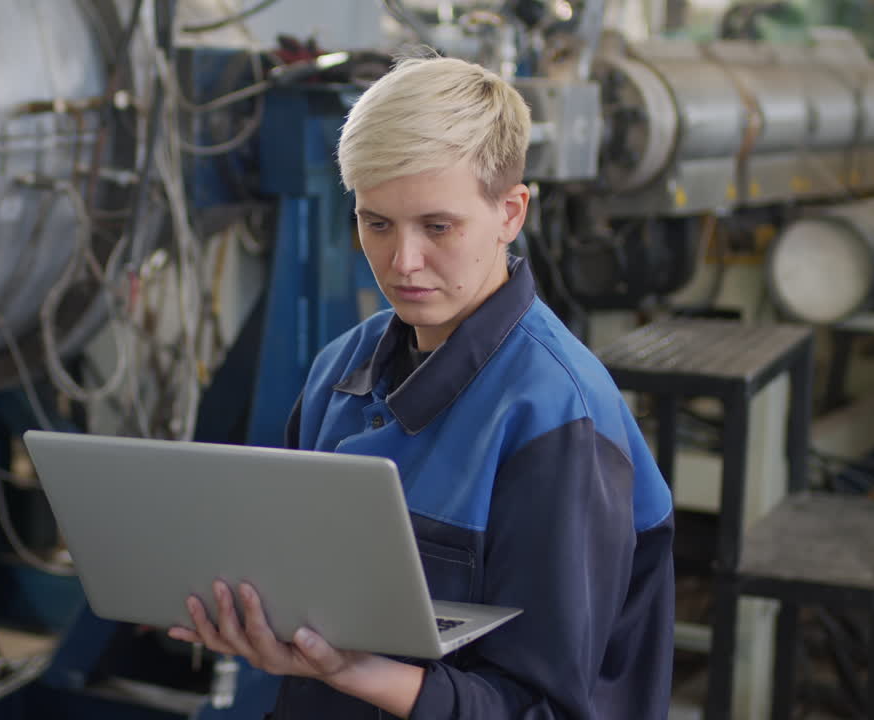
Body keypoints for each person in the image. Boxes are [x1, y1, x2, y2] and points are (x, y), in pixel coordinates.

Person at [168, 55, 675, 719]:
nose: (403, 263)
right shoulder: (339, 372)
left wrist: (359, 673)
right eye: (376, 223)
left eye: (438, 227)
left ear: (511, 212)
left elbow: (547, 710)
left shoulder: (556, 419)